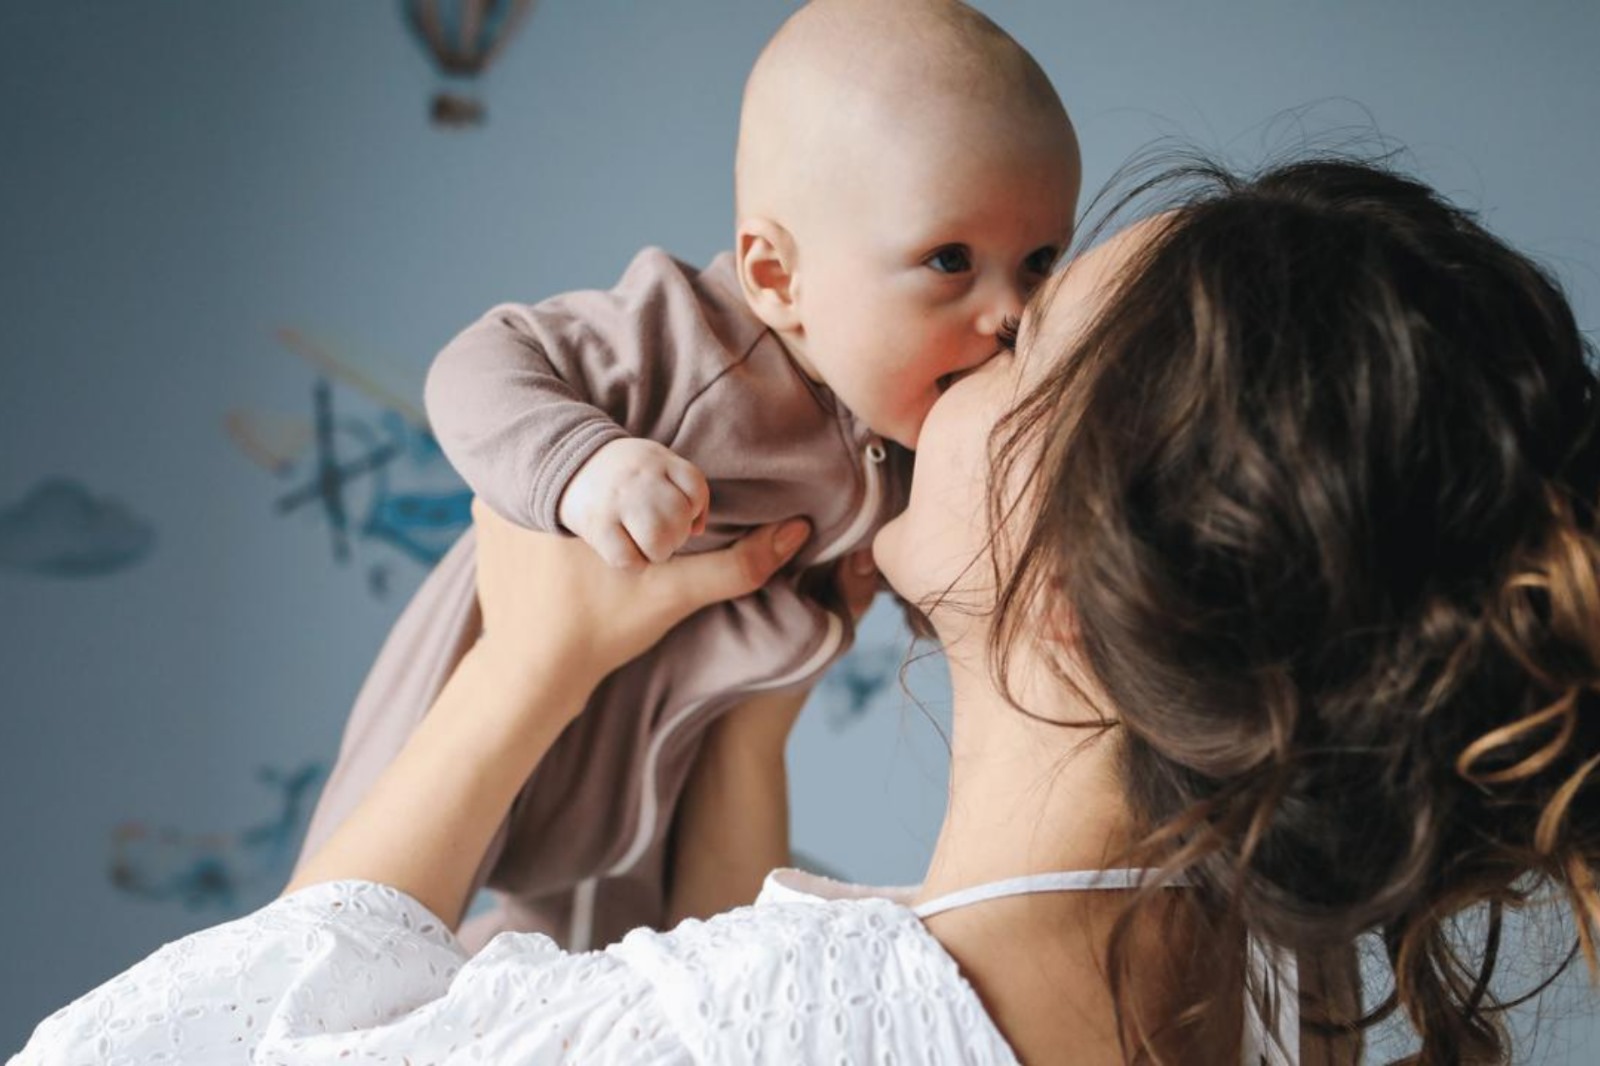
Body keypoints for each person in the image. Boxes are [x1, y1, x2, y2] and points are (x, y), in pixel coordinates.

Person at [17, 154, 1600, 1065]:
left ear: (1067, 581)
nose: (960, 351)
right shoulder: (1257, 998)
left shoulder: (769, 1031)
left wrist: (525, 670)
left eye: (1024, 344)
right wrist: (749, 711)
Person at [294, 0, 1081, 953]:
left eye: (1039, 264)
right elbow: (479, 361)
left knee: (610, 967)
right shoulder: (688, 341)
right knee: (347, 938)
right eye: (950, 260)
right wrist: (583, 463)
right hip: (498, 674)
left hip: (661, 759)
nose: (1009, 313)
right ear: (776, 276)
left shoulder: (913, 422)